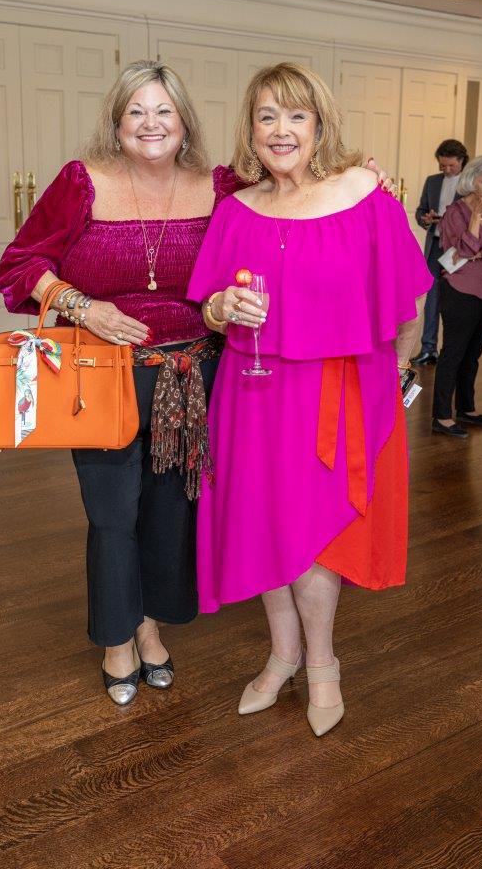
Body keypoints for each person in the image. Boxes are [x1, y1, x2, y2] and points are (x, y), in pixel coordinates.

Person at [187, 63, 432, 737]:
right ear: (251, 130)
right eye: (267, 116)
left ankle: (322, 663)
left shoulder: (363, 194)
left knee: (318, 532)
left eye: (296, 115)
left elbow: (408, 299)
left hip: (335, 392)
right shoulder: (236, 209)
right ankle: (281, 654)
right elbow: (209, 308)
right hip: (252, 392)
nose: (282, 130)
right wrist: (219, 307)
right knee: (263, 521)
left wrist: (399, 375)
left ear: (320, 125)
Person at [0, 60, 226, 705]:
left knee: (170, 511)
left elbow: (292, 196)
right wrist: (82, 306)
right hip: (101, 376)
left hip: (190, 376)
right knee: (111, 514)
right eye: (136, 112)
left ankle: (149, 625)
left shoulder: (221, 186)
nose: (151, 124)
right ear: (116, 123)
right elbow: (20, 265)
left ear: (184, 122)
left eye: (164, 111)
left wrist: (361, 177)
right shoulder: (81, 183)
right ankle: (117, 639)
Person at [431, 156, 482, 438]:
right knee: (453, 353)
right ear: (470, 181)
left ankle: (467, 408)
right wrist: (476, 218)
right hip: (461, 291)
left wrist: (480, 253)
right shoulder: (455, 213)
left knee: (473, 352)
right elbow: (461, 252)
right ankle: (441, 416)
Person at [412, 139, 469, 365]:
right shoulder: (432, 181)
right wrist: (425, 219)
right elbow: (420, 211)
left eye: (451, 166)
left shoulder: (469, 184)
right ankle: (428, 349)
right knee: (431, 299)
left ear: (462, 161)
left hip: (457, 249)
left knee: (454, 300)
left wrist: (445, 219)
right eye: (442, 165)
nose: (446, 170)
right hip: (435, 247)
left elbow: (471, 219)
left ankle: (453, 350)